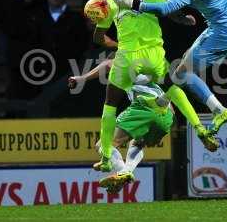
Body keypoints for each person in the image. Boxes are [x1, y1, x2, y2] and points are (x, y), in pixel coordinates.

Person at [114, 0, 227, 134]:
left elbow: (165, 8)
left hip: (224, 33)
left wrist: (133, 4)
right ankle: (163, 102)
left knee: (183, 73)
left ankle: (220, 111)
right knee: (182, 66)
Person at [86, 0, 218, 172]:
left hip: (138, 92)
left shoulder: (111, 2)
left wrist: (111, 41)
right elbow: (168, 10)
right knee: (171, 90)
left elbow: (99, 40)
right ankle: (199, 128)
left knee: (109, 108)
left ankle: (109, 159)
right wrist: (184, 19)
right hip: (165, 106)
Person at [68, 57, 174, 193]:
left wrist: (81, 78)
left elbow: (107, 64)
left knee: (102, 145)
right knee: (137, 142)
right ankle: (125, 173)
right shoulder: (150, 71)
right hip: (168, 116)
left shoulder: (127, 65)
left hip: (145, 107)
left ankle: (123, 172)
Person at [44, 0, 90, 78]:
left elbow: (82, 39)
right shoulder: (42, 17)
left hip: (69, 64)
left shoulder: (75, 18)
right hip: (46, 64)